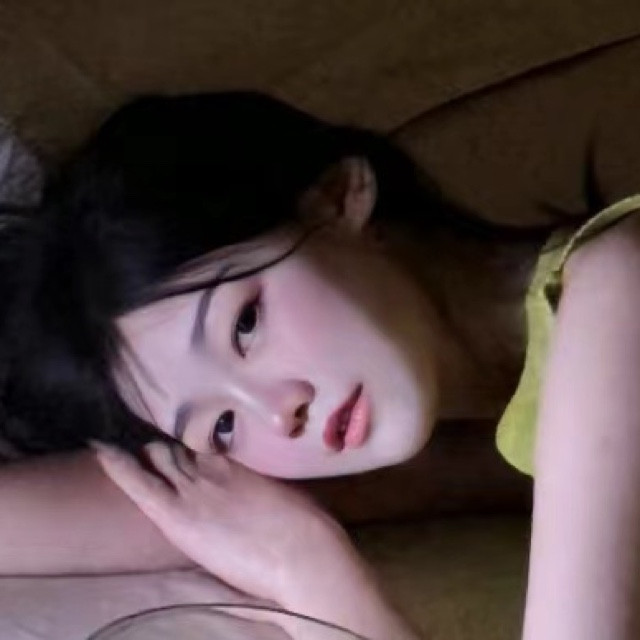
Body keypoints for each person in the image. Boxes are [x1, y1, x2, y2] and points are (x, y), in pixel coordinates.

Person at [0, 91, 639, 640]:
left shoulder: (614, 292)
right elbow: (168, 500)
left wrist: (316, 580)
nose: (278, 412)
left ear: (336, 198)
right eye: (222, 425)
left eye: (245, 325)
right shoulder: (483, 427)